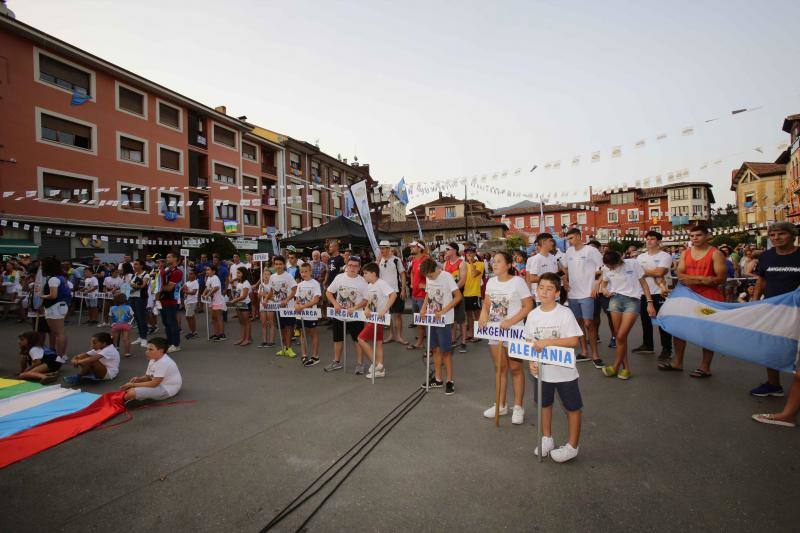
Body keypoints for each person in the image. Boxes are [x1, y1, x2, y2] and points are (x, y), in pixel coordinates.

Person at [525, 272, 584, 462]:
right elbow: (529, 342)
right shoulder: (533, 315)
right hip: (543, 372)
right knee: (544, 404)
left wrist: (548, 342)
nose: (543, 291)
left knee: (572, 407)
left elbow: (574, 340)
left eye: (549, 289)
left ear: (557, 293)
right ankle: (547, 438)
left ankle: (572, 446)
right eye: (541, 287)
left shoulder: (565, 313)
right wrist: (531, 362)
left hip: (565, 372)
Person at [659, 225, 727, 377]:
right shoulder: (686, 253)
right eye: (692, 236)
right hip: (687, 295)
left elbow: (720, 279)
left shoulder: (715, 254)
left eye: (698, 235)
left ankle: (705, 367)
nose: (695, 238)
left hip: (709, 296)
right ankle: (677, 362)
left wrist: (694, 280)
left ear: (707, 236)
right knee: (678, 329)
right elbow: (681, 275)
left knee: (707, 332)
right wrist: (704, 279)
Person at [478, 251, 534, 422]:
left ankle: (518, 407)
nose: (494, 264)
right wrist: (482, 315)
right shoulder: (490, 282)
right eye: (493, 261)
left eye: (499, 261)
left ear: (508, 265)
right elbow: (487, 304)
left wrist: (510, 322)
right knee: (500, 368)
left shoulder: (518, 282)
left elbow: (528, 306)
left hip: (514, 330)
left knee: (515, 369)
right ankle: (500, 405)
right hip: (495, 331)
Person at [749, 222, 800, 398]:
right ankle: (773, 384)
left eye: (782, 234)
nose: (776, 238)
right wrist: (755, 301)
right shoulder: (766, 256)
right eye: (772, 235)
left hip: (796, 311)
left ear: (793, 235)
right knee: (770, 346)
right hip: (772, 309)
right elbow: (761, 280)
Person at [597, 251, 656, 379]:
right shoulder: (606, 268)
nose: (610, 269)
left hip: (632, 301)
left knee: (621, 335)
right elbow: (604, 283)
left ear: (619, 261)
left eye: (612, 267)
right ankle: (626, 369)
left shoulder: (633, 264)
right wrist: (605, 290)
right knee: (619, 336)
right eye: (608, 267)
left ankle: (615, 367)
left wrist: (649, 302)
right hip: (615, 300)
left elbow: (644, 283)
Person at [419, 257, 461, 395]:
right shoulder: (428, 277)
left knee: (446, 351)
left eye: (431, 275)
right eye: (428, 276)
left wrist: (444, 310)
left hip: (444, 319)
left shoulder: (447, 276)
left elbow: (458, 296)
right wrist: (423, 308)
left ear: (437, 269)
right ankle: (438, 379)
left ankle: (449, 380)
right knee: (435, 349)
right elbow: (428, 294)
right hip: (431, 318)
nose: (430, 278)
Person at [562, 228, 604, 367]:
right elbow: (564, 268)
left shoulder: (591, 251)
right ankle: (584, 352)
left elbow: (603, 268)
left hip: (587, 293)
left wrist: (597, 284)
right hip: (572, 294)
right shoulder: (569, 252)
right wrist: (565, 280)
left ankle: (595, 354)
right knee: (578, 323)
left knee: (588, 323)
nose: (569, 241)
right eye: (568, 239)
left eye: (571, 238)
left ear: (579, 236)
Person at [633, 230, 673, 360]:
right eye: (647, 238)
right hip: (644, 293)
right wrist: (651, 272)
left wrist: (644, 272)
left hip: (660, 293)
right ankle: (648, 345)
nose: (649, 241)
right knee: (645, 321)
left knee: (662, 322)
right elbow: (637, 273)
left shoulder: (665, 256)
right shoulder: (640, 257)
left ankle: (666, 349)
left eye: (652, 239)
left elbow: (660, 272)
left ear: (658, 241)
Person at [324, 256, 368, 373]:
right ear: (346, 266)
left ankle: (360, 364)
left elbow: (366, 300)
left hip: (356, 316)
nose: (352, 268)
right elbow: (329, 292)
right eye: (350, 265)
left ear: (359, 268)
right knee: (337, 339)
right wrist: (335, 304)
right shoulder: (339, 277)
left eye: (355, 266)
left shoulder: (363, 281)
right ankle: (336, 362)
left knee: (358, 340)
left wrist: (355, 308)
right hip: (339, 315)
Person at [358, 262, 397, 379]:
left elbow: (393, 295)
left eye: (366, 273)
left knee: (361, 339)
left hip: (379, 319)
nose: (364, 275)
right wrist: (367, 308)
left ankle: (376, 364)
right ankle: (380, 369)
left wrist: (385, 309)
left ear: (374, 273)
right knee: (378, 343)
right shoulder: (370, 286)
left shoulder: (381, 283)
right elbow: (371, 300)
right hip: (373, 317)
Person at [120, 337, 182, 402]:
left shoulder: (163, 362)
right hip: (158, 384)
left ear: (161, 351)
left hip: (167, 388)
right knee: (130, 388)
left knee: (131, 392)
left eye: (150, 349)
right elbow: (148, 377)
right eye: (147, 349)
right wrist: (139, 379)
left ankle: (120, 402)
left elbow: (154, 384)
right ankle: (126, 399)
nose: (146, 352)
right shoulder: (153, 358)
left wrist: (133, 385)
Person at [266, 256, 298, 358]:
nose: (278, 266)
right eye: (276, 264)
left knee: (289, 327)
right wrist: (266, 299)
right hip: (278, 307)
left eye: (280, 264)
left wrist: (286, 300)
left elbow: (294, 290)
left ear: (284, 265)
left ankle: (289, 348)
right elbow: (271, 291)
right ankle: (284, 348)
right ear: (274, 265)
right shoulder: (272, 277)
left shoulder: (288, 276)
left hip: (288, 307)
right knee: (282, 328)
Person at [378, 241, 408, 345]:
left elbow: (402, 275)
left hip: (396, 290)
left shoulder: (396, 260)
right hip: (384, 293)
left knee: (397, 314)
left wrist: (403, 289)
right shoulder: (379, 260)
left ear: (388, 249)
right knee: (388, 315)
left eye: (383, 248)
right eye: (380, 248)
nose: (381, 250)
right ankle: (391, 335)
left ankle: (399, 336)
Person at [39, 257, 69, 359]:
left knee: (58, 333)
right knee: (60, 333)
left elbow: (53, 295)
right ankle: (62, 355)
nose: (41, 267)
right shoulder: (60, 277)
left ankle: (59, 356)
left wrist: (41, 296)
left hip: (55, 306)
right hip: (61, 306)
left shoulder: (53, 279)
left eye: (42, 265)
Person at [295, 263, 322, 366]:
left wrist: (303, 306)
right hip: (301, 314)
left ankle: (315, 356)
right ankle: (304, 354)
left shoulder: (315, 283)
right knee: (303, 334)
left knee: (313, 334)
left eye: (306, 271)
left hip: (311, 314)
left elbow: (316, 299)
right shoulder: (300, 285)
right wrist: (297, 305)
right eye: (302, 272)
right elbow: (297, 298)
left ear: (310, 271)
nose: (304, 273)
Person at [443, 242, 468, 353]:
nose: (446, 251)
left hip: (458, 294)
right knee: (451, 319)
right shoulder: (445, 263)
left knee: (461, 319)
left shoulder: (461, 263)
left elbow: (463, 280)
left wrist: (453, 290)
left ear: (454, 250)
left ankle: (463, 341)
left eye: (448, 249)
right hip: (449, 295)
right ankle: (453, 340)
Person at [157, 253, 184, 353]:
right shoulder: (167, 270)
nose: (167, 259)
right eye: (167, 257)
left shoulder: (177, 272)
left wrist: (158, 288)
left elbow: (169, 288)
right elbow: (160, 281)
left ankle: (176, 344)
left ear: (175, 259)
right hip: (163, 300)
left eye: (169, 257)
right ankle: (169, 342)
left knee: (172, 323)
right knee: (166, 323)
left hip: (172, 300)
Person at [526, 233, 560, 304]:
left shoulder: (553, 258)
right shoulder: (536, 259)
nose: (552, 243)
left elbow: (557, 274)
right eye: (550, 241)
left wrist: (562, 277)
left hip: (555, 296)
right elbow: (532, 278)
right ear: (543, 242)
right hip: (542, 298)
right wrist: (549, 279)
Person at [406, 242, 428, 351]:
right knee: (419, 321)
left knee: (425, 321)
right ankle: (420, 342)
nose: (411, 248)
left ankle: (430, 346)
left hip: (423, 295)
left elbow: (433, 276)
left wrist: (426, 286)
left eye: (413, 246)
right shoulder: (414, 261)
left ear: (420, 248)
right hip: (415, 294)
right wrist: (412, 283)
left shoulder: (426, 260)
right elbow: (412, 273)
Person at [462, 245, 485, 342]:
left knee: (477, 316)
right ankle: (471, 333)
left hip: (475, 293)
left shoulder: (480, 264)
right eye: (467, 253)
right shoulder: (463, 264)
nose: (469, 254)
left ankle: (478, 334)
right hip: (465, 293)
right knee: (469, 316)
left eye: (471, 253)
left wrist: (471, 262)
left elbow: (474, 274)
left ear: (475, 253)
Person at [129, 260, 151, 347]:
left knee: (142, 318)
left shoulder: (146, 275)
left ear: (141, 265)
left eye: (136, 264)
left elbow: (142, 286)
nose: (134, 266)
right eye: (133, 264)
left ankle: (144, 338)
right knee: (136, 317)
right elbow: (129, 285)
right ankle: (140, 337)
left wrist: (134, 286)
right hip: (132, 297)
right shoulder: (134, 275)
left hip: (140, 298)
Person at [202, 264, 226, 341]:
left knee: (218, 317)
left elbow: (216, 288)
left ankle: (222, 334)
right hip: (211, 300)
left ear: (213, 271)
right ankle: (216, 333)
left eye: (208, 270)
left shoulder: (215, 278)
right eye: (206, 270)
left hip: (217, 300)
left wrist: (208, 294)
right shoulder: (209, 278)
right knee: (213, 317)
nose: (207, 271)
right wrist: (203, 293)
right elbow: (207, 287)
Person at [229, 268, 252, 346]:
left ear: (243, 273)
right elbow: (238, 293)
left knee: (246, 322)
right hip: (238, 304)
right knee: (241, 322)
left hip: (245, 304)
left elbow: (244, 296)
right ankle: (242, 338)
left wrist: (234, 300)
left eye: (239, 273)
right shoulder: (239, 283)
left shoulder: (246, 283)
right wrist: (234, 296)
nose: (237, 274)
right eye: (237, 273)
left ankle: (247, 339)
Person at [109, 293, 134, 358]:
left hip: (116, 324)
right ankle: (127, 352)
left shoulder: (112, 308)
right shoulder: (128, 307)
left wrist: (112, 324)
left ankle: (113, 351)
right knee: (126, 339)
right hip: (126, 324)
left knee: (114, 339)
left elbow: (111, 316)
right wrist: (130, 323)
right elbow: (132, 316)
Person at [257, 268, 275, 348]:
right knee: (263, 323)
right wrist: (260, 294)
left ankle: (271, 341)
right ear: (262, 276)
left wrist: (265, 295)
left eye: (268, 274)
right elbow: (258, 296)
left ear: (271, 276)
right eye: (265, 274)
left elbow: (274, 298)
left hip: (270, 305)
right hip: (262, 305)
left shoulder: (272, 285)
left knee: (271, 323)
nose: (266, 276)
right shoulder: (261, 285)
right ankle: (264, 340)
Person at [182, 269, 199, 340]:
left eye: (191, 274)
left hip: (192, 301)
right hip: (187, 301)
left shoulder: (195, 282)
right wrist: (185, 290)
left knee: (188, 316)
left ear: (195, 275)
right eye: (189, 274)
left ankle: (193, 332)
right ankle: (192, 331)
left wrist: (186, 291)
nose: (189, 275)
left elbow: (193, 292)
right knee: (190, 316)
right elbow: (182, 289)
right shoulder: (187, 282)